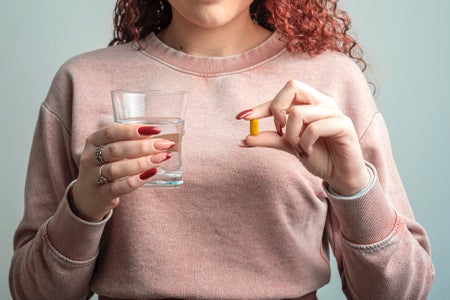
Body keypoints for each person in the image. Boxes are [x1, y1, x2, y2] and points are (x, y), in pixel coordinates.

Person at [9, 0, 434, 299]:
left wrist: (352, 186)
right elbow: (33, 293)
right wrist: (83, 206)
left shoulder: (331, 81)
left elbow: (401, 292)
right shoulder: (82, 81)